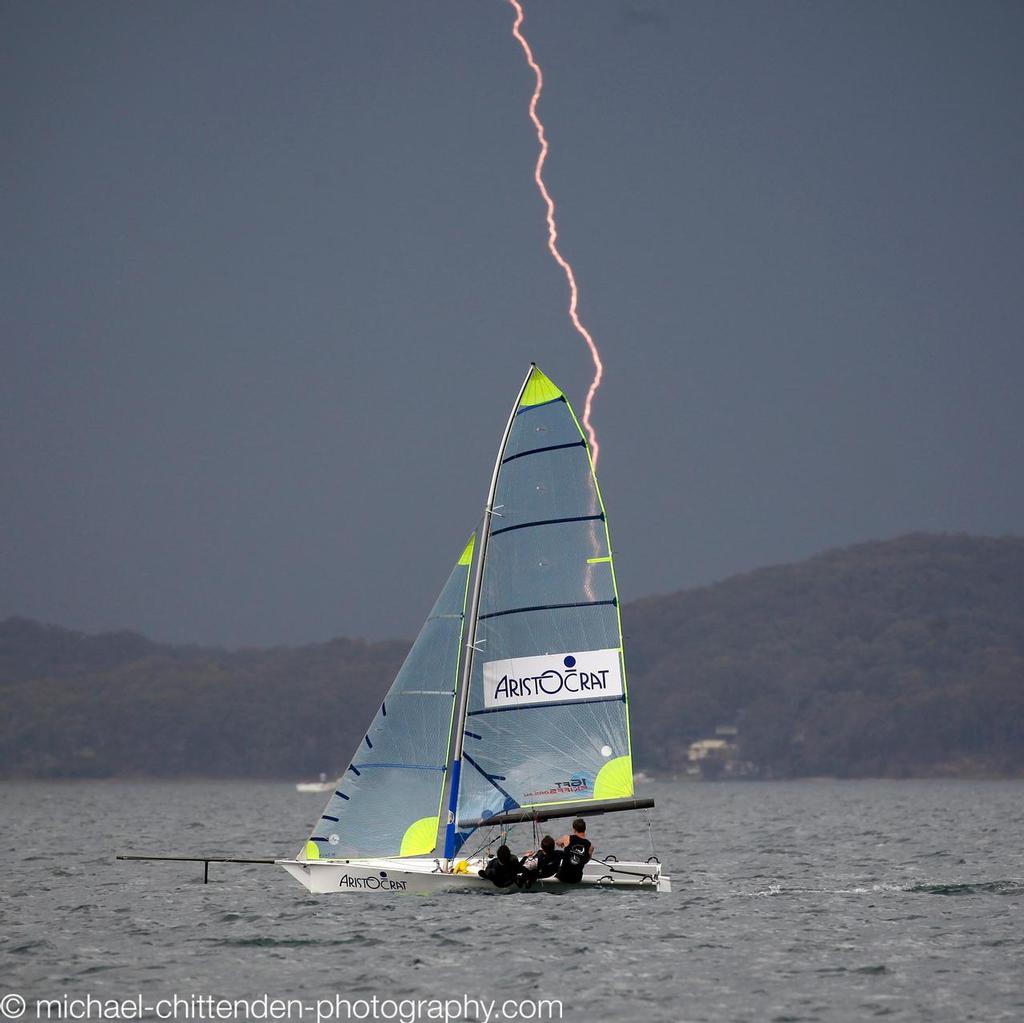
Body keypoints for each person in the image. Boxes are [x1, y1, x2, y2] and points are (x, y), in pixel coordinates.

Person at [555, 818, 593, 883]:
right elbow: (585, 861)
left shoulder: (567, 838)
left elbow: (557, 843)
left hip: (563, 877)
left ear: (574, 829)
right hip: (576, 879)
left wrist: (563, 844)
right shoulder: (590, 846)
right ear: (585, 829)